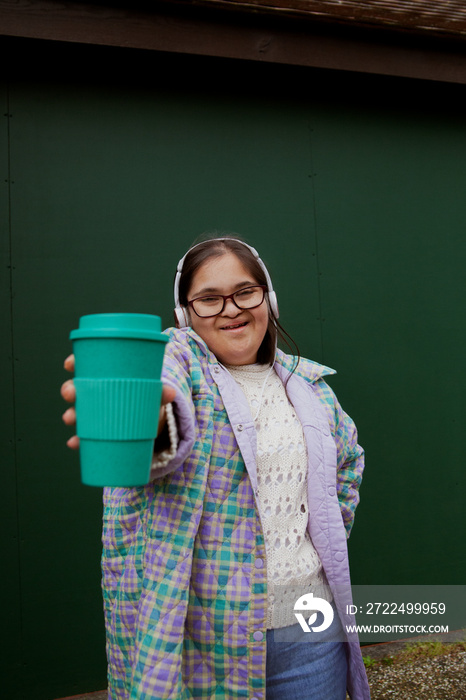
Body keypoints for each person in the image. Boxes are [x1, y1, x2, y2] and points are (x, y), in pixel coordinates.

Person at [62, 235, 370, 700]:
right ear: (186, 314)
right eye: (209, 299)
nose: (231, 309)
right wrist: (147, 423)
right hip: (208, 643)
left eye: (245, 291)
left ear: (268, 298)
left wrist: (317, 547)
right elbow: (167, 428)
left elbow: (346, 467)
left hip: (311, 629)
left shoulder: (310, 386)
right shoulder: (179, 359)